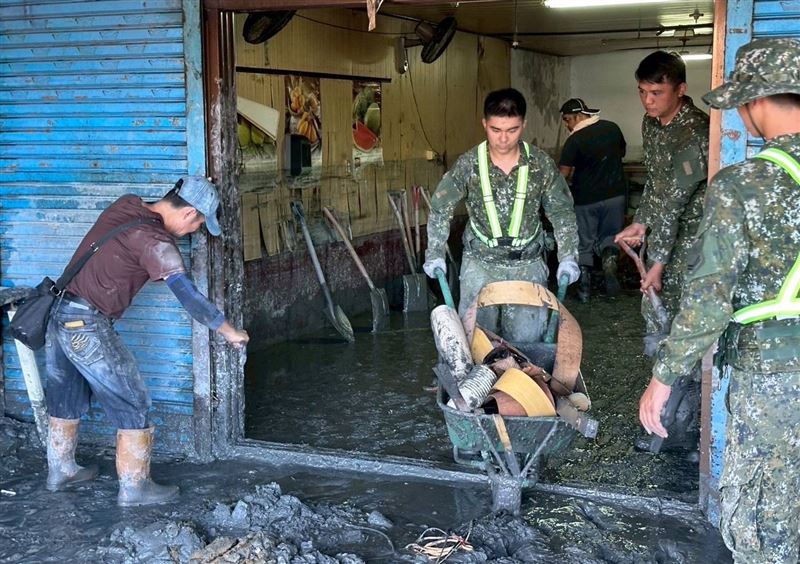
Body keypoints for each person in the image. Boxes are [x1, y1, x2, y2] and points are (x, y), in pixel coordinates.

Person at [640, 38, 800, 563]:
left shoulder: (744, 186)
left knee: (765, 524)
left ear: (755, 103)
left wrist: (663, 377)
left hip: (775, 379)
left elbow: (709, 300)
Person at [44, 176, 249, 507]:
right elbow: (189, 297)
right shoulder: (155, 242)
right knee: (132, 400)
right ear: (190, 213)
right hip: (87, 324)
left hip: (59, 314)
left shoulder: (126, 204)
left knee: (65, 396)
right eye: (199, 223)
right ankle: (135, 488)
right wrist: (229, 331)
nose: (195, 231)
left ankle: (62, 470)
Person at [423, 88, 579, 343]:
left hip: (527, 266)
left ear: (524, 125)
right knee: (475, 341)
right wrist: (435, 253)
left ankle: (521, 382)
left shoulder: (541, 164)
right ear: (485, 124)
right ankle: (477, 383)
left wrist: (568, 256)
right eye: (496, 130)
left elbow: (561, 212)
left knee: (528, 344)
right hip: (480, 267)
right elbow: (441, 209)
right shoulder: (468, 164)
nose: (504, 139)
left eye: (512, 130)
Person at [614, 51, 709, 452]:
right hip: (664, 239)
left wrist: (658, 262)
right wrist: (640, 222)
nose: (648, 100)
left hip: (692, 246)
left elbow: (675, 200)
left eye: (657, 91)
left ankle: (686, 428)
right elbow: (655, 185)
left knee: (686, 329)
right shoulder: (652, 125)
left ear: (681, 90)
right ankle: (662, 412)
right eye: (642, 92)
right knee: (657, 322)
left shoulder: (697, 133)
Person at [558, 98, 627, 301]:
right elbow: (621, 152)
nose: (567, 125)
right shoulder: (612, 128)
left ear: (579, 116)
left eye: (567, 119)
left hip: (586, 199)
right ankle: (609, 265)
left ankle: (585, 289)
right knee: (611, 236)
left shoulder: (574, 140)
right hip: (615, 195)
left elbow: (563, 174)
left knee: (584, 242)